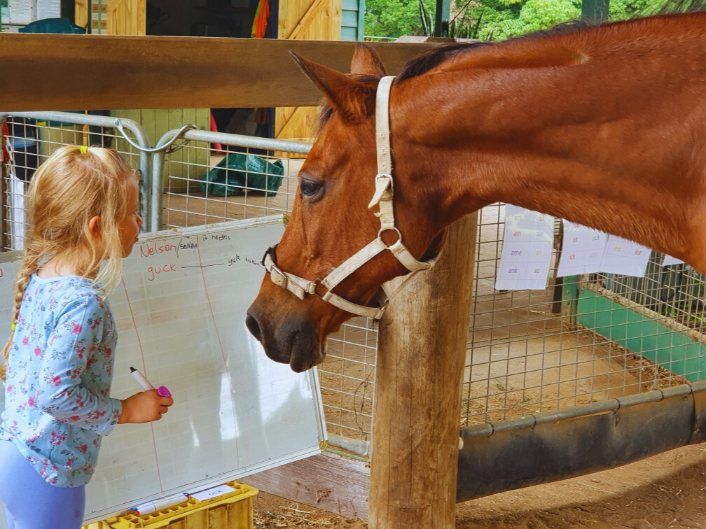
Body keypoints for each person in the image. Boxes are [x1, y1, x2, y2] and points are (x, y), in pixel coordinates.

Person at [0, 146, 174, 529]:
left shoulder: (45, 274)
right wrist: (125, 411)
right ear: (97, 228)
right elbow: (55, 394)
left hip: (18, 451)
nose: (139, 220)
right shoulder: (84, 304)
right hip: (49, 470)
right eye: (130, 213)